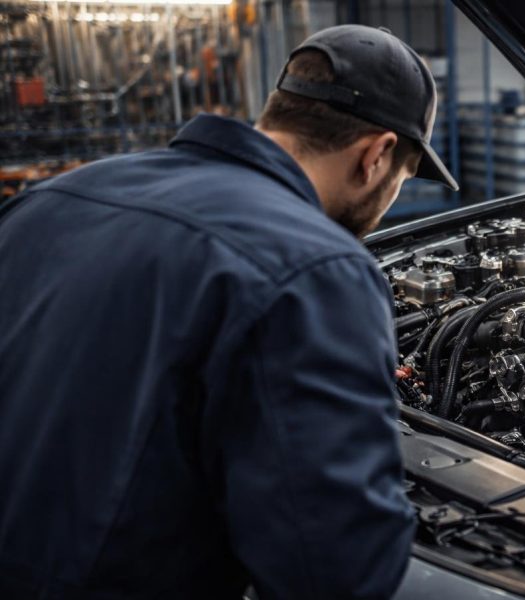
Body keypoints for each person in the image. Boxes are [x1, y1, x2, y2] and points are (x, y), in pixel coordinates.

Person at [0, 25, 457, 599]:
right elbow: (336, 574)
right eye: (403, 180)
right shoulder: (315, 269)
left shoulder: (50, 201)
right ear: (377, 155)